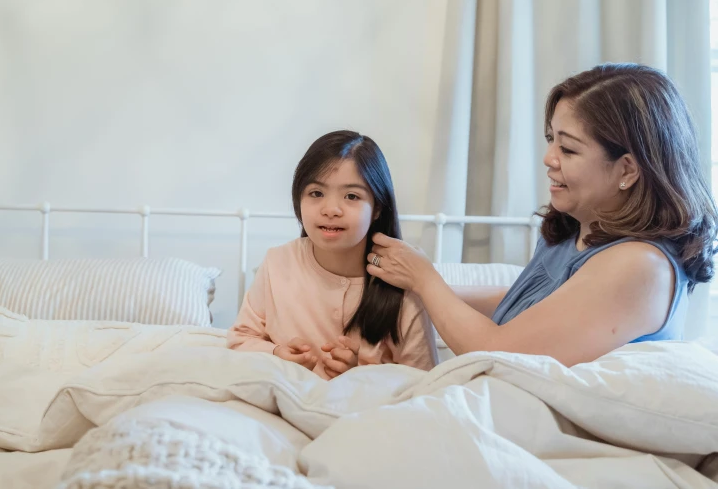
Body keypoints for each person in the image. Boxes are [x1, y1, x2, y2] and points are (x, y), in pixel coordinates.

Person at [366, 63, 718, 367]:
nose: (549, 158)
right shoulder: (577, 230)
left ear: (627, 169)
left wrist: (425, 280)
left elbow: (500, 353)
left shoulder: (639, 265)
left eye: (567, 148)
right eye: (551, 139)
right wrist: (413, 287)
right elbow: (530, 308)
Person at [228, 130, 438, 379]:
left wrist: (356, 376)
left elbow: (423, 382)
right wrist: (276, 353)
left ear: (378, 208)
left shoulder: (403, 281)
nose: (331, 210)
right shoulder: (277, 263)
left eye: (351, 196)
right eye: (316, 193)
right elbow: (239, 342)